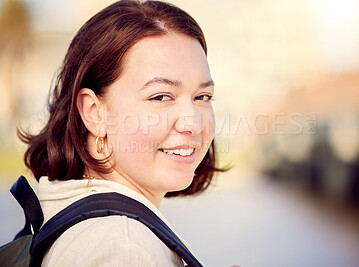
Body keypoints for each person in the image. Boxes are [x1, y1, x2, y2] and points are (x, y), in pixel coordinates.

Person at [18, 0, 224, 265]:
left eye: (202, 96)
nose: (194, 123)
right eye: (161, 97)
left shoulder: (77, 217)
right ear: (94, 112)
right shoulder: (124, 247)